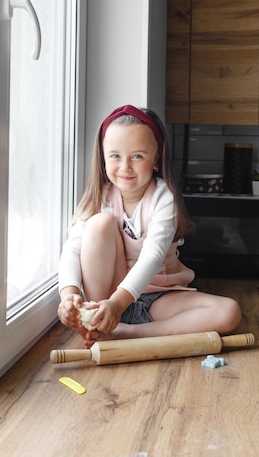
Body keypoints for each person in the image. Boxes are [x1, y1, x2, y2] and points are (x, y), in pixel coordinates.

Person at [57, 105, 241, 348]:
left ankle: (129, 333)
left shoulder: (164, 199)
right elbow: (73, 249)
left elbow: (152, 257)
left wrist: (118, 305)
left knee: (229, 311)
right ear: (102, 158)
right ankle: (97, 320)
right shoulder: (99, 197)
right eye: (115, 156)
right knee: (99, 224)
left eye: (137, 156)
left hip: (158, 298)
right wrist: (69, 296)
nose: (125, 166)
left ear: (156, 159)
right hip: (107, 300)